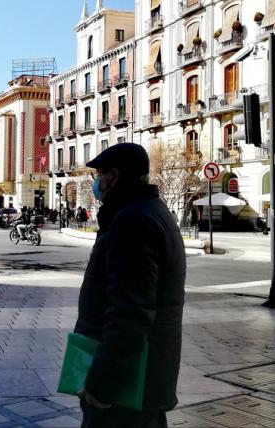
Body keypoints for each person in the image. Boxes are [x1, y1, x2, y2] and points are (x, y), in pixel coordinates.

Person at [74, 143, 186, 427]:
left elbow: (130, 313)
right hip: (144, 378)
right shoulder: (150, 212)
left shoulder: (132, 221)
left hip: (125, 387)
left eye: (99, 174)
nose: (96, 182)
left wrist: (101, 383)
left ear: (116, 175)